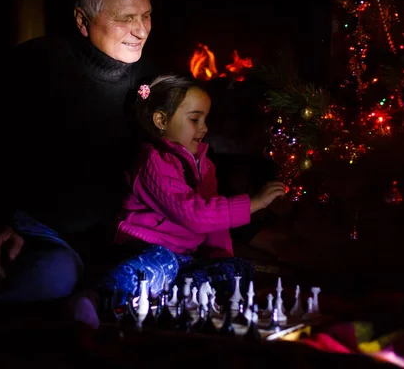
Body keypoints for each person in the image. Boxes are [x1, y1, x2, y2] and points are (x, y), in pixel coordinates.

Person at [0, 0, 158, 306]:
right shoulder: (36, 65)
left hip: (84, 241)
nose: (141, 30)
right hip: (21, 224)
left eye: (146, 15)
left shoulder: (150, 81)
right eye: (126, 18)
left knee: (55, 275)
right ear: (83, 21)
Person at [69, 74, 286, 327]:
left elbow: (214, 225)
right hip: (144, 249)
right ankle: (95, 298)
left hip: (183, 258)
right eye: (195, 119)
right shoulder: (152, 162)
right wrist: (253, 203)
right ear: (161, 120)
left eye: (205, 119)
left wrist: (220, 258)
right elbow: (193, 214)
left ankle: (175, 299)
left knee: (237, 269)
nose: (204, 128)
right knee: (162, 261)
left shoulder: (205, 166)